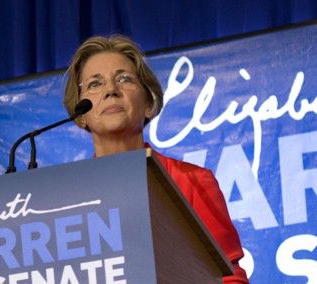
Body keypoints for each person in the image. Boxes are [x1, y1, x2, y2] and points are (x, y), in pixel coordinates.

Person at [64, 35, 249, 283]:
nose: (110, 90)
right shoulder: (66, 199)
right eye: (94, 84)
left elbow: (229, 277)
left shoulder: (192, 181)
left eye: (124, 79)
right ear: (80, 113)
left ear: (148, 102)